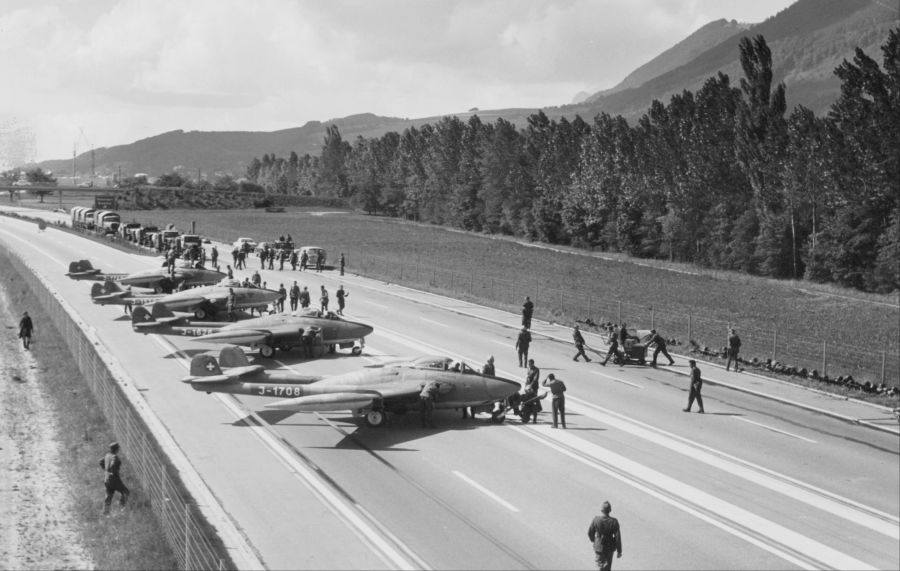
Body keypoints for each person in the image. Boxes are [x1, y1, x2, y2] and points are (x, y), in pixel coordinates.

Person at [588, 501, 622, 570]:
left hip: (599, 546)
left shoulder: (596, 519)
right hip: (609, 548)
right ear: (610, 510)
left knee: (599, 566)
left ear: (601, 510)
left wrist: (594, 540)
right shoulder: (614, 521)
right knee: (607, 568)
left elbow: (590, 532)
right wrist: (619, 551)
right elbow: (617, 537)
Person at [99, 442, 130, 514]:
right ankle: (121, 509)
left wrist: (106, 470)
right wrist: (113, 472)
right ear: (117, 449)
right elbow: (113, 466)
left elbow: (100, 461)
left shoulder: (107, 455)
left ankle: (106, 512)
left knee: (109, 494)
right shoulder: (115, 457)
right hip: (114, 479)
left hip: (106, 478)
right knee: (126, 492)